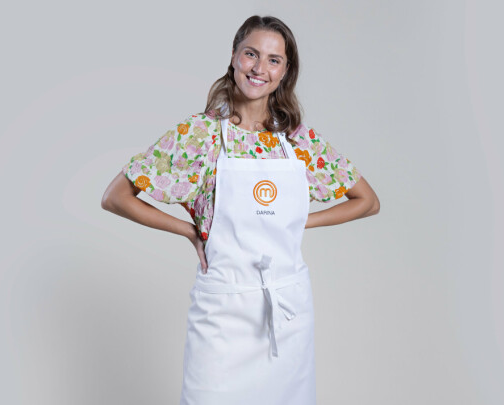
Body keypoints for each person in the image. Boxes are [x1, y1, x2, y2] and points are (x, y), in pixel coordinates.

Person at [101, 15, 379, 405]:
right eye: (251, 54)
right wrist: (190, 230)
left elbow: (368, 201)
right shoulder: (199, 135)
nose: (259, 68)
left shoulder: (297, 141)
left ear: (285, 72)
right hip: (223, 311)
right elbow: (115, 196)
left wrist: (295, 222)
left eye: (273, 60)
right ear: (234, 56)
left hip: (286, 310)